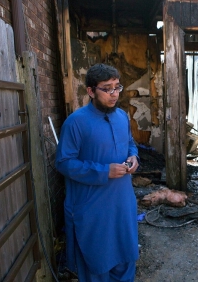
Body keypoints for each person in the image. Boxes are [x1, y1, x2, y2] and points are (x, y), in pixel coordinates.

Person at [56, 63, 140, 282]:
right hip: (92, 207)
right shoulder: (75, 123)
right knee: (97, 262)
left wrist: (134, 157)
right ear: (91, 91)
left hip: (122, 202)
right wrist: (105, 171)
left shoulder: (122, 116)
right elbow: (64, 163)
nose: (114, 94)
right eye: (107, 88)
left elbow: (130, 143)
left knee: (126, 255)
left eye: (117, 87)